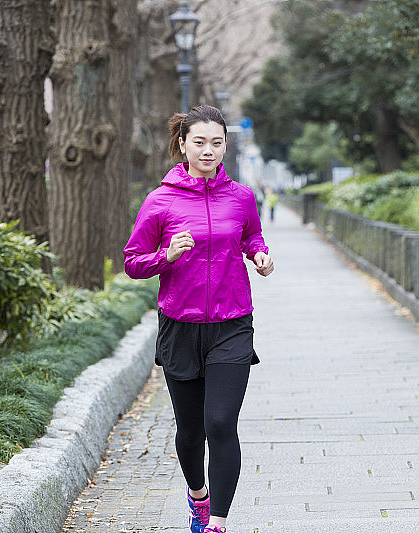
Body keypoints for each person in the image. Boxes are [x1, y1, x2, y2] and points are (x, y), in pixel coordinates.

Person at [124, 105, 274, 533]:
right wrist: (165, 256)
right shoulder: (160, 200)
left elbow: (251, 235)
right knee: (191, 433)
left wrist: (258, 254)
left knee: (221, 423)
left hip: (232, 324)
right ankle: (198, 497)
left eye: (217, 142)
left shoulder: (241, 197)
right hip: (180, 326)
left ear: (225, 145)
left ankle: (217, 524)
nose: (209, 150)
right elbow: (133, 262)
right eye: (200, 142)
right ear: (183, 145)